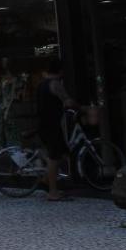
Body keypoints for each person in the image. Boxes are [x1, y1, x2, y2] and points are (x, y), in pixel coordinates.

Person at [36, 56, 76, 202]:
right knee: (54, 157)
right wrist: (80, 107)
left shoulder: (42, 84)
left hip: (45, 124)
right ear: (60, 70)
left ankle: (47, 179)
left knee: (62, 153)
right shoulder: (55, 84)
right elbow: (67, 100)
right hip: (51, 125)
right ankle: (52, 192)